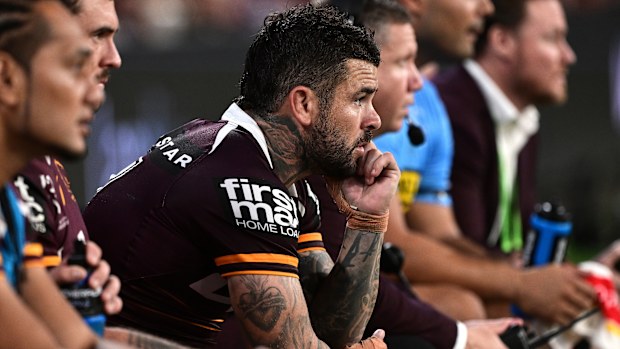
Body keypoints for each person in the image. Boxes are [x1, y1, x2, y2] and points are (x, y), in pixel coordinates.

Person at [84, 4, 395, 348]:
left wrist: (368, 219)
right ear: (304, 104)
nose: (373, 119)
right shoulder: (244, 180)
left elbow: (331, 328)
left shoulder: (271, 174)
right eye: (359, 100)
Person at [371, 0, 598, 325]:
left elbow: (442, 237)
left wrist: (539, 280)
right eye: (552, 39)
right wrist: (520, 284)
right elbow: (391, 245)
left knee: (515, 312)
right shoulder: (372, 96)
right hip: (330, 293)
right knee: (465, 307)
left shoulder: (428, 102)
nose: (486, 8)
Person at [309, 1, 519, 348]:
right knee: (461, 307)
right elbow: (385, 263)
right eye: (404, 62)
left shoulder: (429, 108)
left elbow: (432, 241)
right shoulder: (322, 154)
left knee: (484, 301)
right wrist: (463, 334)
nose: (418, 83)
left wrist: (510, 279)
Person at [0, 0, 121, 347]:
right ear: (7, 77)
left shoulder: (9, 201)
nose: (91, 94)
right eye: (72, 66)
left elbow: (80, 342)